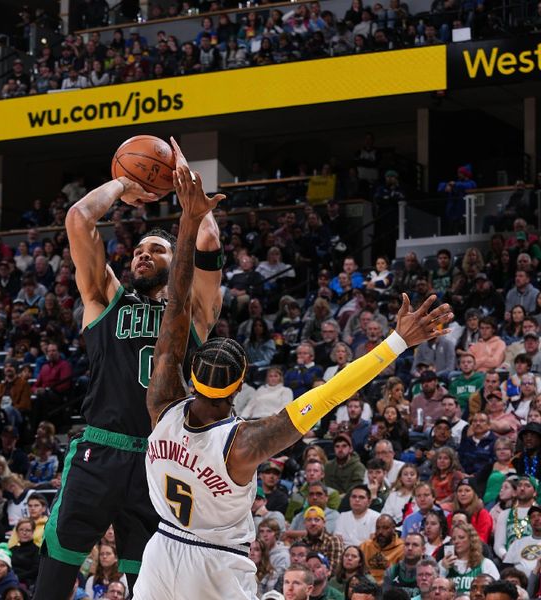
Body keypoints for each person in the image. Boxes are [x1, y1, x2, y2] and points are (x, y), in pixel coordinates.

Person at [133, 164, 453, 599]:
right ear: (240, 387)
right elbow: (328, 394)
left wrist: (188, 221)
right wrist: (397, 341)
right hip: (215, 565)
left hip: (160, 552)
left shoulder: (161, 405)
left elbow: (175, 316)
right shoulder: (243, 444)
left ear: (189, 376)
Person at [34, 140, 223, 600]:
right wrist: (124, 183)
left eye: (156, 250)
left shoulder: (192, 312)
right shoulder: (104, 300)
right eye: (138, 249)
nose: (141, 254)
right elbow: (79, 218)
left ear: (173, 260)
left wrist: (186, 186)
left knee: (152, 586)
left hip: (161, 458)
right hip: (101, 447)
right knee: (56, 571)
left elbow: (209, 242)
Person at [439, 522, 499, 592]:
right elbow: (436, 591)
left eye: (461, 537)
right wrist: (443, 569)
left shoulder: (486, 564)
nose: (456, 541)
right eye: (453, 539)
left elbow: (496, 590)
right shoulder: (443, 563)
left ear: (471, 540)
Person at [360, 514, 405, 583]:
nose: (380, 532)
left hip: (387, 587)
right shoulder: (365, 545)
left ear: (393, 528)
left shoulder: (402, 549)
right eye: (378, 528)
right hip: (363, 583)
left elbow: (401, 576)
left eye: (385, 528)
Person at [502, 504, 541, 578]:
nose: (536, 519)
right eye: (533, 517)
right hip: (520, 583)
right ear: (529, 522)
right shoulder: (518, 543)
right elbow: (506, 568)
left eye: (539, 515)